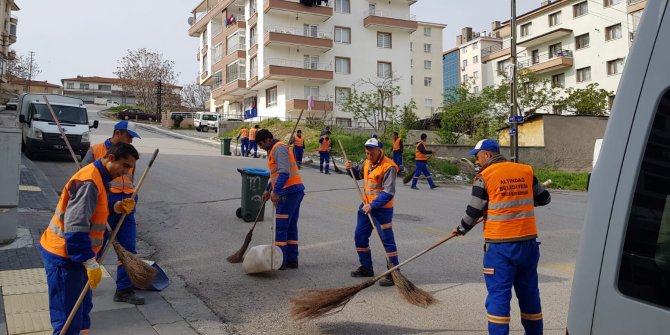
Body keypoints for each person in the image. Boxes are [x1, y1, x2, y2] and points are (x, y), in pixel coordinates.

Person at [452, 139, 551, 335]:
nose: (477, 161)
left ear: (487, 155)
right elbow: (544, 199)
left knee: (498, 297)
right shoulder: (525, 171)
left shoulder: (485, 177)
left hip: (500, 248)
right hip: (528, 245)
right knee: (530, 294)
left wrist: (461, 229)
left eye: (478, 156)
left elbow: (473, 212)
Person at [40, 142, 139, 335]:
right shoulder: (89, 182)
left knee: (82, 310)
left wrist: (115, 208)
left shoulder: (100, 178)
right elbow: (75, 226)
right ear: (111, 158)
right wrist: (88, 260)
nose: (126, 172)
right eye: (125, 166)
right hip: (64, 257)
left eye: (130, 168)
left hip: (76, 259)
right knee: (68, 319)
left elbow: (91, 211)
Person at [80, 120, 145, 305]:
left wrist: (133, 198)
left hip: (126, 207)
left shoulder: (130, 155)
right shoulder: (97, 150)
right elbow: (85, 181)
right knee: (96, 249)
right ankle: (83, 288)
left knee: (128, 250)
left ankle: (124, 290)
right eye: (129, 137)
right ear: (117, 133)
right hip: (104, 205)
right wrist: (107, 203)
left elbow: (131, 181)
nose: (131, 141)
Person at [344, 137, 399, 287]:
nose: (368, 154)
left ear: (379, 150)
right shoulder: (367, 162)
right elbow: (358, 174)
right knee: (359, 237)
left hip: (382, 210)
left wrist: (373, 205)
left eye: (371, 152)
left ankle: (394, 273)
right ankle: (366, 267)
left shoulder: (389, 167)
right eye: (367, 151)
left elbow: (389, 192)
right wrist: (350, 169)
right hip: (366, 207)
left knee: (386, 241)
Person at [256, 129, 305, 269]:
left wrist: (275, 192)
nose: (260, 147)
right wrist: (268, 189)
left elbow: (284, 173)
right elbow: (275, 176)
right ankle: (291, 260)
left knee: (281, 228)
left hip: (288, 192)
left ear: (268, 140)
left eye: (261, 143)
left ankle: (280, 261)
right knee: (290, 227)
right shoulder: (274, 149)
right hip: (293, 191)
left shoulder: (279, 149)